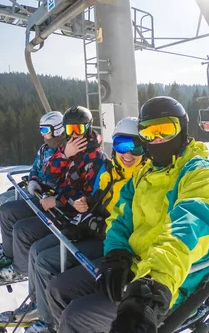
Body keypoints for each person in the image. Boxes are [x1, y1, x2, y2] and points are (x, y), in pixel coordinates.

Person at [45, 96, 209, 333]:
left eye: (165, 130)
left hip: (169, 281)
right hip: (134, 264)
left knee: (77, 316)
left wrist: (152, 288)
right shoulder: (145, 174)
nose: (157, 139)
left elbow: (186, 231)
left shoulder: (200, 174)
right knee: (58, 288)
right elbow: (119, 218)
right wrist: (116, 254)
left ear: (182, 129)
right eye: (148, 132)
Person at [22, 117, 148, 332]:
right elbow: (66, 185)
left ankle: (51, 321)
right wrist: (80, 204)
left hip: (111, 241)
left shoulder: (141, 178)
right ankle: (47, 314)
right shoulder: (110, 170)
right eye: (120, 145)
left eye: (135, 147)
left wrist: (87, 216)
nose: (127, 154)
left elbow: (129, 222)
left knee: (47, 262)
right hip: (92, 229)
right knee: (40, 256)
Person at [0, 106, 106, 285]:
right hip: (59, 208)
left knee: (25, 233)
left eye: (78, 129)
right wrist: (65, 155)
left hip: (72, 217)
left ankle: (21, 270)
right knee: (15, 219)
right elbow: (50, 173)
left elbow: (86, 196)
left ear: (88, 128)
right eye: (70, 129)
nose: (74, 134)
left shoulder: (95, 158)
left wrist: (58, 201)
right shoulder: (67, 148)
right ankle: (17, 262)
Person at [0, 111, 66, 272]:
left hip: (49, 198)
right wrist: (33, 180)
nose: (42, 135)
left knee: (12, 212)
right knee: (4, 201)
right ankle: (9, 250)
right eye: (41, 130)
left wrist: (46, 188)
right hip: (38, 191)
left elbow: (57, 175)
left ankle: (17, 260)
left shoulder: (65, 151)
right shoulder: (44, 149)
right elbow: (35, 168)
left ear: (58, 129)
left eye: (45, 131)